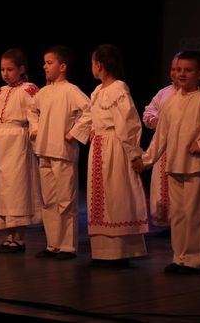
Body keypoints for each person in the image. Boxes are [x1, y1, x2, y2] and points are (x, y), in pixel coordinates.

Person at [135, 50, 200, 274]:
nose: (181, 74)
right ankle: (179, 257)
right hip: (175, 166)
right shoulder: (171, 102)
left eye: (187, 70)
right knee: (178, 214)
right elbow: (161, 137)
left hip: (196, 167)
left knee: (194, 214)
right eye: (178, 70)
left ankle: (193, 260)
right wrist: (146, 160)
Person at [87, 44, 149, 268]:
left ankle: (120, 251)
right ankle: (103, 252)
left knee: (117, 196)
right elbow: (94, 119)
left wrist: (134, 154)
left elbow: (128, 123)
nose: (92, 67)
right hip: (99, 147)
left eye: (93, 63)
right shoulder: (97, 91)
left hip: (114, 148)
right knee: (101, 199)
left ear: (99, 65)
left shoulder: (118, 89)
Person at [29, 46, 92, 260]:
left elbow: (89, 111)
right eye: (45, 62)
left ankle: (67, 246)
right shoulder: (43, 92)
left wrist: (75, 132)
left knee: (66, 200)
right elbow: (31, 110)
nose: (45, 66)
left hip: (63, 150)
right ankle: (52, 244)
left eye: (49, 63)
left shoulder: (71, 90)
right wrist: (35, 127)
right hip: (44, 149)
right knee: (49, 200)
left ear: (62, 66)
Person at [0, 48, 42, 253]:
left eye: (10, 69)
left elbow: (35, 111)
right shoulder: (0, 91)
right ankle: (9, 235)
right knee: (2, 188)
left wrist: (34, 129)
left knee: (17, 187)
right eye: (2, 69)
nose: (5, 73)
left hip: (17, 141)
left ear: (21, 69)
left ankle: (19, 237)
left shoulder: (29, 89)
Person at [142, 53, 180, 237]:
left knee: (177, 187)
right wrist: (153, 120)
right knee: (161, 186)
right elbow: (149, 110)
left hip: (179, 148)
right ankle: (167, 223)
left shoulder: (195, 97)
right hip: (162, 147)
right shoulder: (164, 92)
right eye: (173, 69)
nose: (176, 73)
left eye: (180, 69)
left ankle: (178, 224)